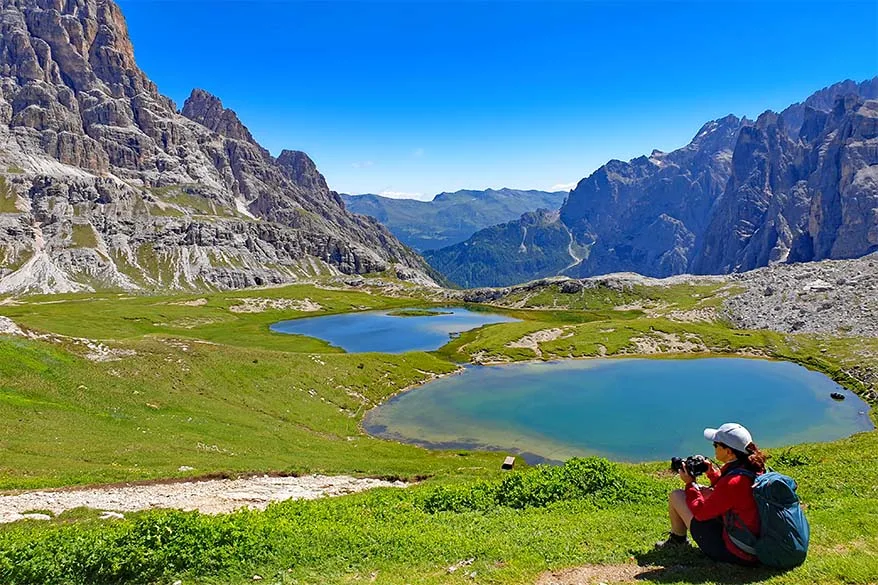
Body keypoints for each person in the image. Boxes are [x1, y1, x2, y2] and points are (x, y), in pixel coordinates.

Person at [657, 422, 768, 565]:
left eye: (716, 445)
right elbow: (732, 495)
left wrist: (690, 484)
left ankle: (678, 540)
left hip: (739, 552)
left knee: (677, 496)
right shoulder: (753, 466)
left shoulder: (733, 482)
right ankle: (678, 539)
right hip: (754, 538)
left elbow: (700, 513)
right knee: (705, 492)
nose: (713, 447)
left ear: (729, 451)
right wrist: (712, 474)